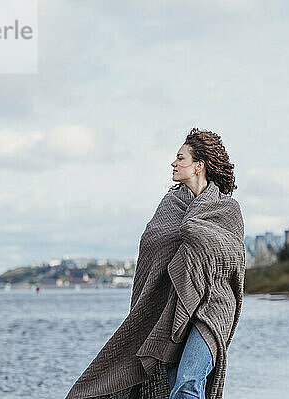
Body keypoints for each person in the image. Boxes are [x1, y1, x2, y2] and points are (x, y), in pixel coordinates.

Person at [65, 128, 246, 399]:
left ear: (199, 166)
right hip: (171, 311)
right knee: (171, 388)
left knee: (187, 384)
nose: (173, 163)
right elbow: (152, 249)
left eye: (180, 158)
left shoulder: (226, 209)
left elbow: (234, 258)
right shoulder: (170, 205)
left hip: (213, 308)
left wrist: (194, 228)